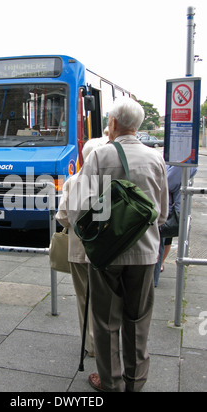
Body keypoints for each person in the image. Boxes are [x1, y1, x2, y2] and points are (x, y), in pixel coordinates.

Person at [68, 97, 169, 392]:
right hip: (145, 253)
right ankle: (135, 382)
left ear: (112, 123)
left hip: (106, 255)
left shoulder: (101, 156)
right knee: (138, 320)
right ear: (137, 126)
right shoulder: (155, 158)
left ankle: (110, 382)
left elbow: (78, 209)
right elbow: (160, 214)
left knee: (105, 320)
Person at [56, 137, 108, 357]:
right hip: (107, 252)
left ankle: (92, 346)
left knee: (84, 299)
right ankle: (109, 342)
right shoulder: (109, 181)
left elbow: (63, 217)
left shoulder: (73, 181)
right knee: (107, 299)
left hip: (79, 251)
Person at [154, 165, 197, 287]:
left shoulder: (181, 161)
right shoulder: (177, 160)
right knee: (161, 241)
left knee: (159, 241)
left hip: (168, 208)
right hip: (169, 207)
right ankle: (154, 276)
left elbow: (167, 182)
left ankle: (153, 278)